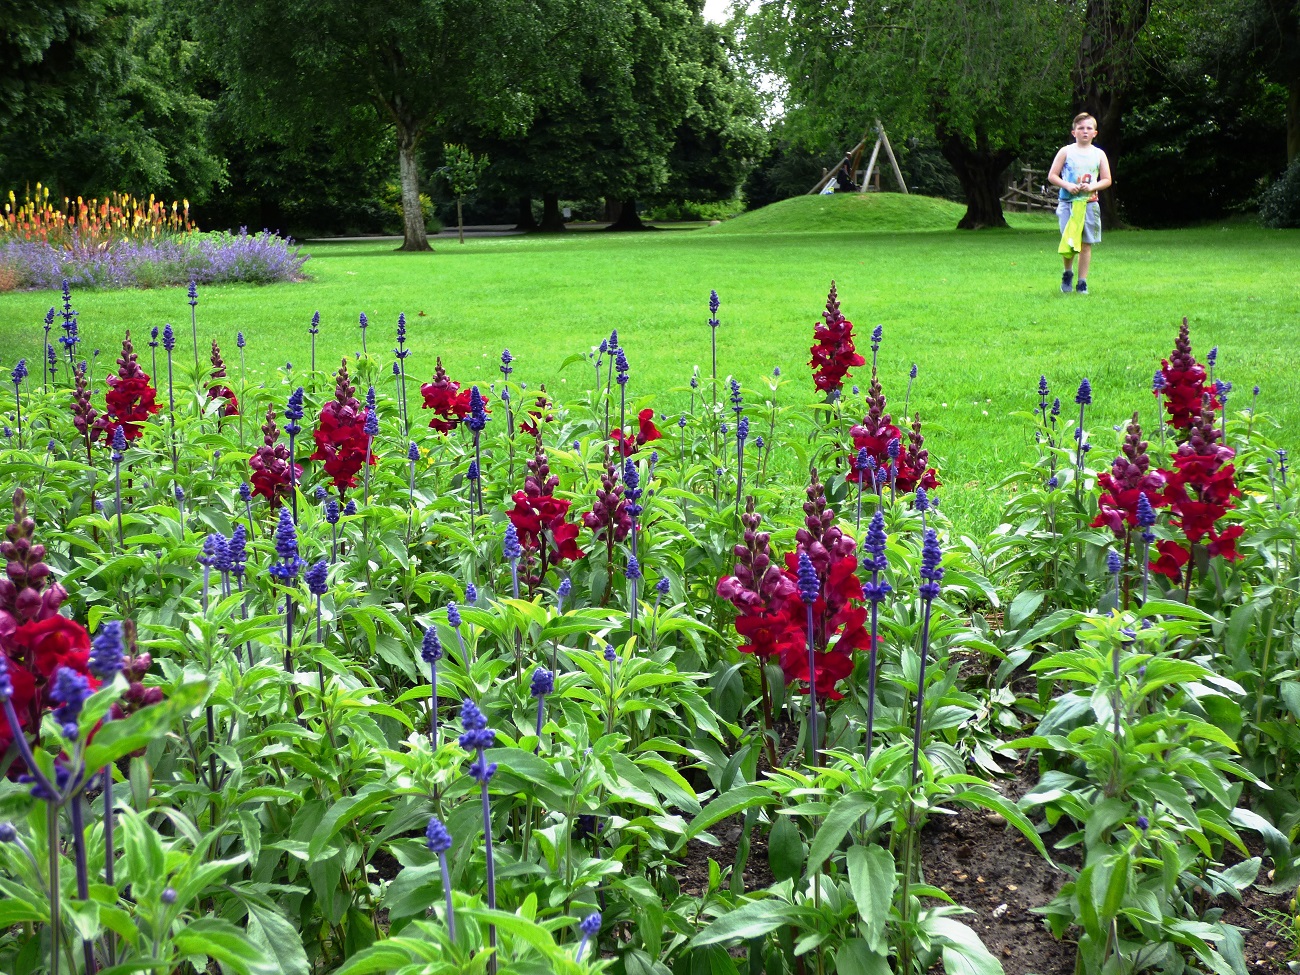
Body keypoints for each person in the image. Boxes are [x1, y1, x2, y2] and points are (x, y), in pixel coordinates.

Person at [1047, 113, 1112, 295]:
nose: (1085, 131)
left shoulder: (1099, 154)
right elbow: (1052, 176)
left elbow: (1107, 180)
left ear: (1095, 133)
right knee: (1069, 241)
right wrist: (1067, 185)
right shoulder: (1066, 151)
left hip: (1089, 203)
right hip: (1068, 203)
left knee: (1086, 243)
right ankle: (1068, 274)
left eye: (1089, 128)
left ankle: (1082, 282)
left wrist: (1091, 186)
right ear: (1073, 132)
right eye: (1081, 128)